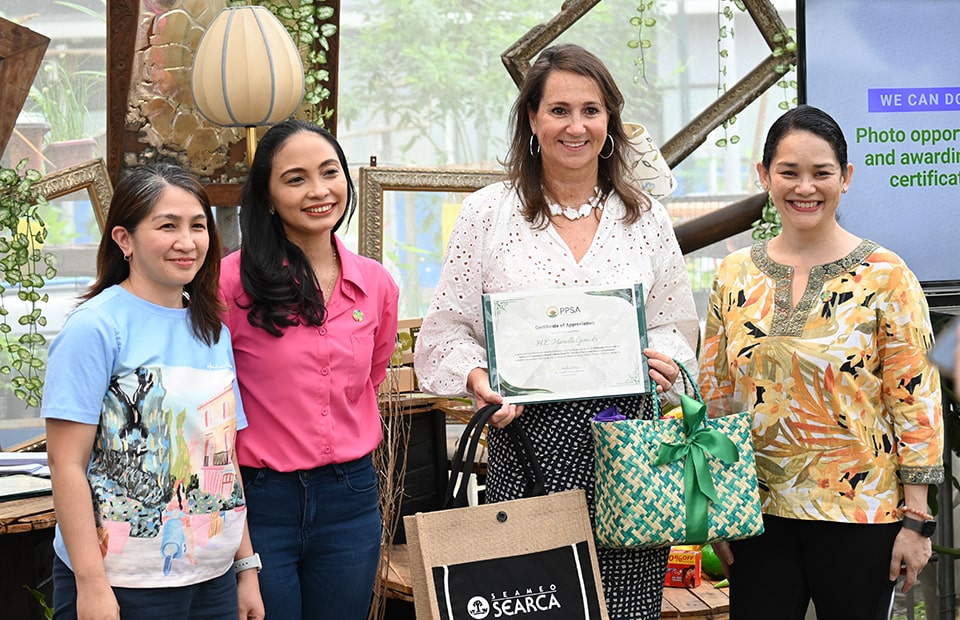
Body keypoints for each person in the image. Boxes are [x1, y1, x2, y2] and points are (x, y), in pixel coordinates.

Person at [414, 43, 700, 620]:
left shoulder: (644, 217)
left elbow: (675, 326)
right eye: (560, 110)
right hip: (526, 445)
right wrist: (478, 377)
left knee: (625, 609)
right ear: (532, 120)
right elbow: (446, 333)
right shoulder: (487, 214)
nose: (576, 126)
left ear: (610, 121)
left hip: (631, 459)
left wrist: (666, 360)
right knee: (533, 605)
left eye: (591, 110)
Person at [698, 105, 943, 620]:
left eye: (821, 173)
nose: (804, 187)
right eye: (788, 172)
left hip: (862, 514)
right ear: (763, 176)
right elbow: (715, 396)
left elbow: (915, 397)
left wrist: (916, 522)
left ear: (846, 178)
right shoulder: (734, 272)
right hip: (757, 516)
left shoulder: (886, 274)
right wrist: (721, 509)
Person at [43, 163, 264, 620]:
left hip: (212, 580)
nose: (187, 241)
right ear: (124, 239)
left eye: (198, 225)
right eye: (168, 225)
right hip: (123, 583)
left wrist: (245, 569)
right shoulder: (95, 328)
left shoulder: (212, 330)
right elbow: (66, 465)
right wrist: (92, 585)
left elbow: (222, 457)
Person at [219, 119, 400, 619]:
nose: (319, 191)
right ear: (268, 196)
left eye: (330, 172)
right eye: (295, 179)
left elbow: (371, 378)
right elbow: (209, 404)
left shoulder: (376, 284)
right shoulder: (229, 282)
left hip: (351, 497)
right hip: (260, 500)